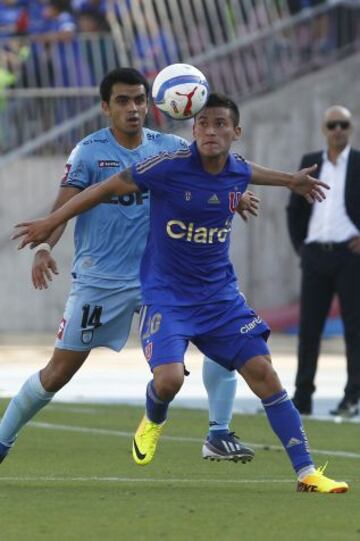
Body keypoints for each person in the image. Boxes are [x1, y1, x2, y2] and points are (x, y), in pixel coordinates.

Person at [13, 93, 349, 493]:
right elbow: (105, 189)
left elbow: (247, 171)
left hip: (220, 298)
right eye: (204, 123)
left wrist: (290, 180)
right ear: (193, 130)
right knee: (169, 380)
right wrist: (51, 222)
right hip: (167, 296)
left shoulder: (236, 171)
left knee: (265, 375)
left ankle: (306, 472)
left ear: (236, 132)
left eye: (221, 124)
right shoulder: (167, 167)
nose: (211, 131)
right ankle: (154, 418)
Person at [0, 69, 255, 465]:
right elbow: (62, 209)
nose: (133, 108)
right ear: (106, 107)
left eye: (139, 99)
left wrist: (234, 196)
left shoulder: (170, 147)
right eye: (123, 101)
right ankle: (2, 441)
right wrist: (44, 248)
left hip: (165, 278)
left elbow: (216, 171)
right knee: (58, 373)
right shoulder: (88, 152)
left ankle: (218, 433)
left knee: (223, 344)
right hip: (102, 281)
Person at [287, 105, 360, 418]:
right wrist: (300, 246)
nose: (338, 130)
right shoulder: (310, 163)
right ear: (324, 128)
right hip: (315, 254)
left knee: (354, 329)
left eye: (343, 124)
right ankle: (302, 397)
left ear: (351, 128)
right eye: (333, 125)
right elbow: (294, 207)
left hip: (350, 256)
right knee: (309, 330)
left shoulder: (358, 163)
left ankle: (352, 397)